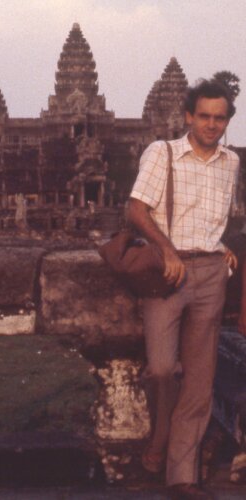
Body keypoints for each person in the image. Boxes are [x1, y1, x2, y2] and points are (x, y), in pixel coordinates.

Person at [127, 79, 240, 500]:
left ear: (228, 121)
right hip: (168, 273)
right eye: (204, 116)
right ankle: (160, 436)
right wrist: (167, 249)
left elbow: (214, 218)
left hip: (211, 272)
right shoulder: (164, 153)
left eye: (220, 118)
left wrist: (222, 246)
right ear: (189, 116)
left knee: (199, 380)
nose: (212, 125)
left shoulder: (230, 163)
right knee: (161, 368)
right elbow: (135, 210)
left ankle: (181, 477)